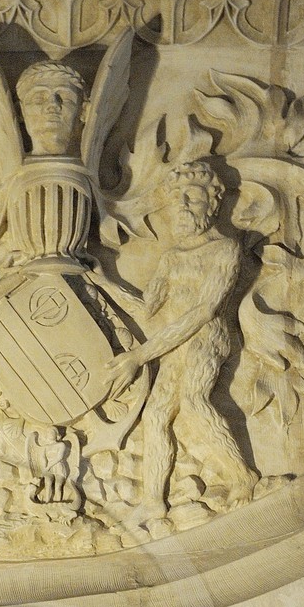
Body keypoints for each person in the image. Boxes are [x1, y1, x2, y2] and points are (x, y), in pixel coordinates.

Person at [96, 159, 255, 516]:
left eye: (192, 197)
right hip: (171, 344)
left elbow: (203, 311)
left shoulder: (224, 250)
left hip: (205, 339)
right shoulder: (170, 258)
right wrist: (105, 283)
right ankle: (153, 501)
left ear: (213, 203)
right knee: (155, 415)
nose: (183, 206)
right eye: (176, 199)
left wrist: (141, 356)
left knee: (194, 400)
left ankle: (242, 477)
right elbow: (147, 309)